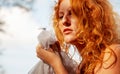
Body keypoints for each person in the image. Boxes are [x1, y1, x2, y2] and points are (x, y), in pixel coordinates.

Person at [32, 0, 120, 74]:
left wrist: (56, 63)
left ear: (92, 18)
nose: (64, 21)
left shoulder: (113, 54)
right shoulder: (81, 68)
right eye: (61, 16)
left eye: (72, 13)